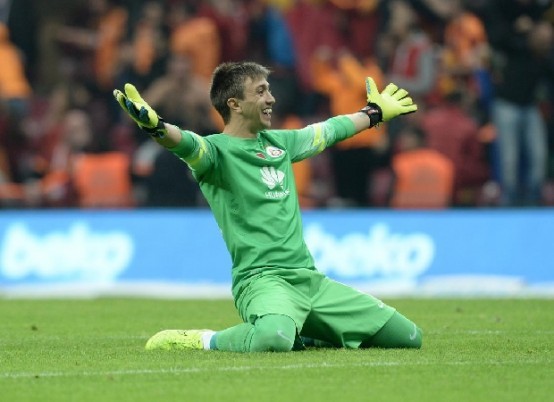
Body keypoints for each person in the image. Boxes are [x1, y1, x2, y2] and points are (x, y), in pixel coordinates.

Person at [113, 61, 422, 352]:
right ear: (234, 104)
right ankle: (203, 340)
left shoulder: (281, 144)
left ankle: (304, 334)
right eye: (260, 91)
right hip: (262, 281)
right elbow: (186, 143)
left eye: (269, 90)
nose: (271, 99)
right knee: (271, 339)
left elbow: (329, 130)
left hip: (310, 281)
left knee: (407, 337)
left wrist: (373, 113)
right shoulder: (215, 153)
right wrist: (157, 128)